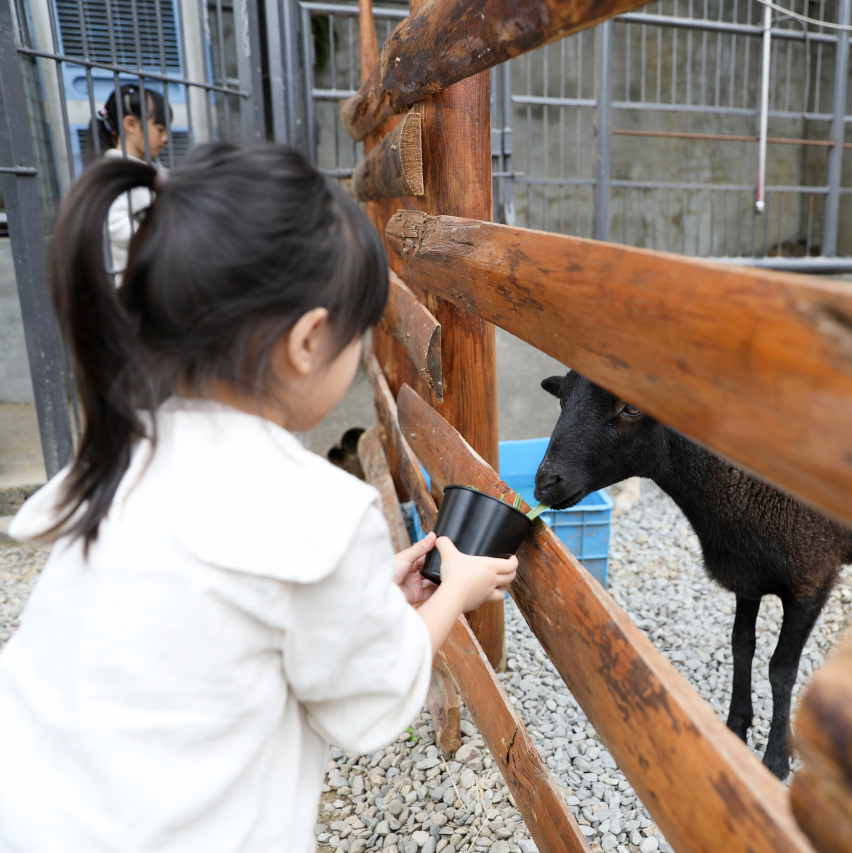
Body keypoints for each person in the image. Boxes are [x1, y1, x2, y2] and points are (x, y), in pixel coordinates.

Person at [0, 144, 517, 851]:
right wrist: (453, 593)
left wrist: (363, 601)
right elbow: (367, 702)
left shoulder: (119, 457)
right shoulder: (316, 515)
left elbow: (242, 621)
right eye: (357, 335)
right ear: (308, 341)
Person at [91, 84, 171, 281]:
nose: (166, 138)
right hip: (133, 285)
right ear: (131, 125)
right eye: (160, 129)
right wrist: (168, 232)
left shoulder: (143, 167)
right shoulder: (115, 171)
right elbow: (114, 226)